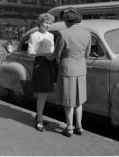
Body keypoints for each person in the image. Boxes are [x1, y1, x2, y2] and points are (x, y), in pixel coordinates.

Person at [54, 8, 91, 137]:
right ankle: (79, 127)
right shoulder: (87, 33)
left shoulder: (63, 33)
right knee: (79, 101)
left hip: (67, 68)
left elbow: (57, 54)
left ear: (66, 20)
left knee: (68, 101)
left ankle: (69, 128)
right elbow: (87, 53)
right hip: (81, 68)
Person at [27, 13, 55, 132]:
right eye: (46, 22)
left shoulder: (51, 35)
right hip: (40, 64)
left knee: (45, 93)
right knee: (42, 93)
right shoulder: (34, 35)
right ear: (40, 23)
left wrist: (52, 56)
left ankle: (39, 115)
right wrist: (43, 54)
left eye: (49, 23)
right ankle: (39, 120)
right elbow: (30, 52)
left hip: (48, 64)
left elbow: (52, 50)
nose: (48, 25)